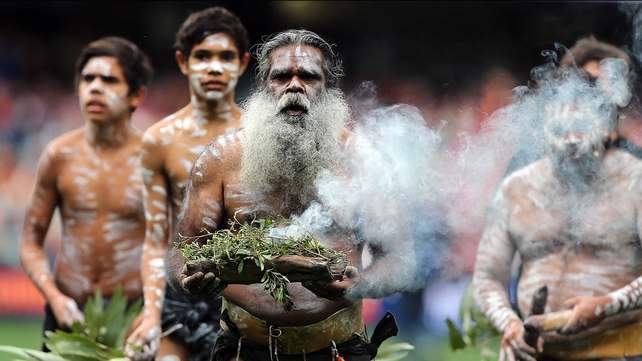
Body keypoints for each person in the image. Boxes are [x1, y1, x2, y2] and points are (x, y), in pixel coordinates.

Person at [164, 29, 416, 361]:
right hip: (243, 350)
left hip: (338, 350)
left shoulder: (363, 161)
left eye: (309, 77)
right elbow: (180, 254)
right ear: (264, 87)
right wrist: (190, 279)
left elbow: (400, 261)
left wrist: (359, 286)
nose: (294, 86)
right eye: (281, 76)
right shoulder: (220, 160)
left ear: (327, 89)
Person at [472, 65, 642, 361]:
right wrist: (510, 326)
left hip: (620, 350)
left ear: (604, 126)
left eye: (581, 126)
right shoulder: (517, 188)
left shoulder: (634, 179)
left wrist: (605, 305)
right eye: (560, 130)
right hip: (535, 352)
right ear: (542, 132)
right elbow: (487, 278)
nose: (572, 139)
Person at [124, 7, 250, 361]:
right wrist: (150, 313)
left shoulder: (258, 138)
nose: (214, 67)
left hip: (243, 292)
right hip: (179, 288)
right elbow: (154, 239)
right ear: (183, 62)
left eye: (225, 57)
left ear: (242, 63)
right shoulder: (159, 140)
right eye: (202, 56)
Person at [17, 36, 153, 356]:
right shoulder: (58, 155)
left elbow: (174, 249)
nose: (95, 87)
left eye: (109, 80)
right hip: (67, 311)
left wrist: (155, 313)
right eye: (87, 79)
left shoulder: (154, 159)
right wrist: (54, 297)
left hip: (134, 315)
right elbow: (29, 242)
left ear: (136, 95)